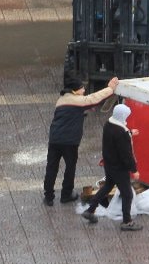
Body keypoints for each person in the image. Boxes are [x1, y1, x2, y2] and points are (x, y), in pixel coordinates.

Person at [43, 75, 119, 206]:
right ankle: (66, 194)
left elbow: (73, 110)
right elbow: (94, 98)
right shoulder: (79, 101)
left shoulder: (61, 100)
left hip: (54, 139)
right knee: (70, 167)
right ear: (75, 90)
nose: (84, 90)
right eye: (82, 88)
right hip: (69, 142)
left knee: (51, 167)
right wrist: (110, 88)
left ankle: (48, 196)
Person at [81, 104, 142, 231]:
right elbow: (126, 154)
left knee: (108, 186)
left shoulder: (109, 124)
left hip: (109, 164)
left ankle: (90, 210)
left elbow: (115, 139)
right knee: (127, 194)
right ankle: (127, 222)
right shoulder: (122, 132)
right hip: (119, 168)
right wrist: (134, 170)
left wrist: (129, 133)